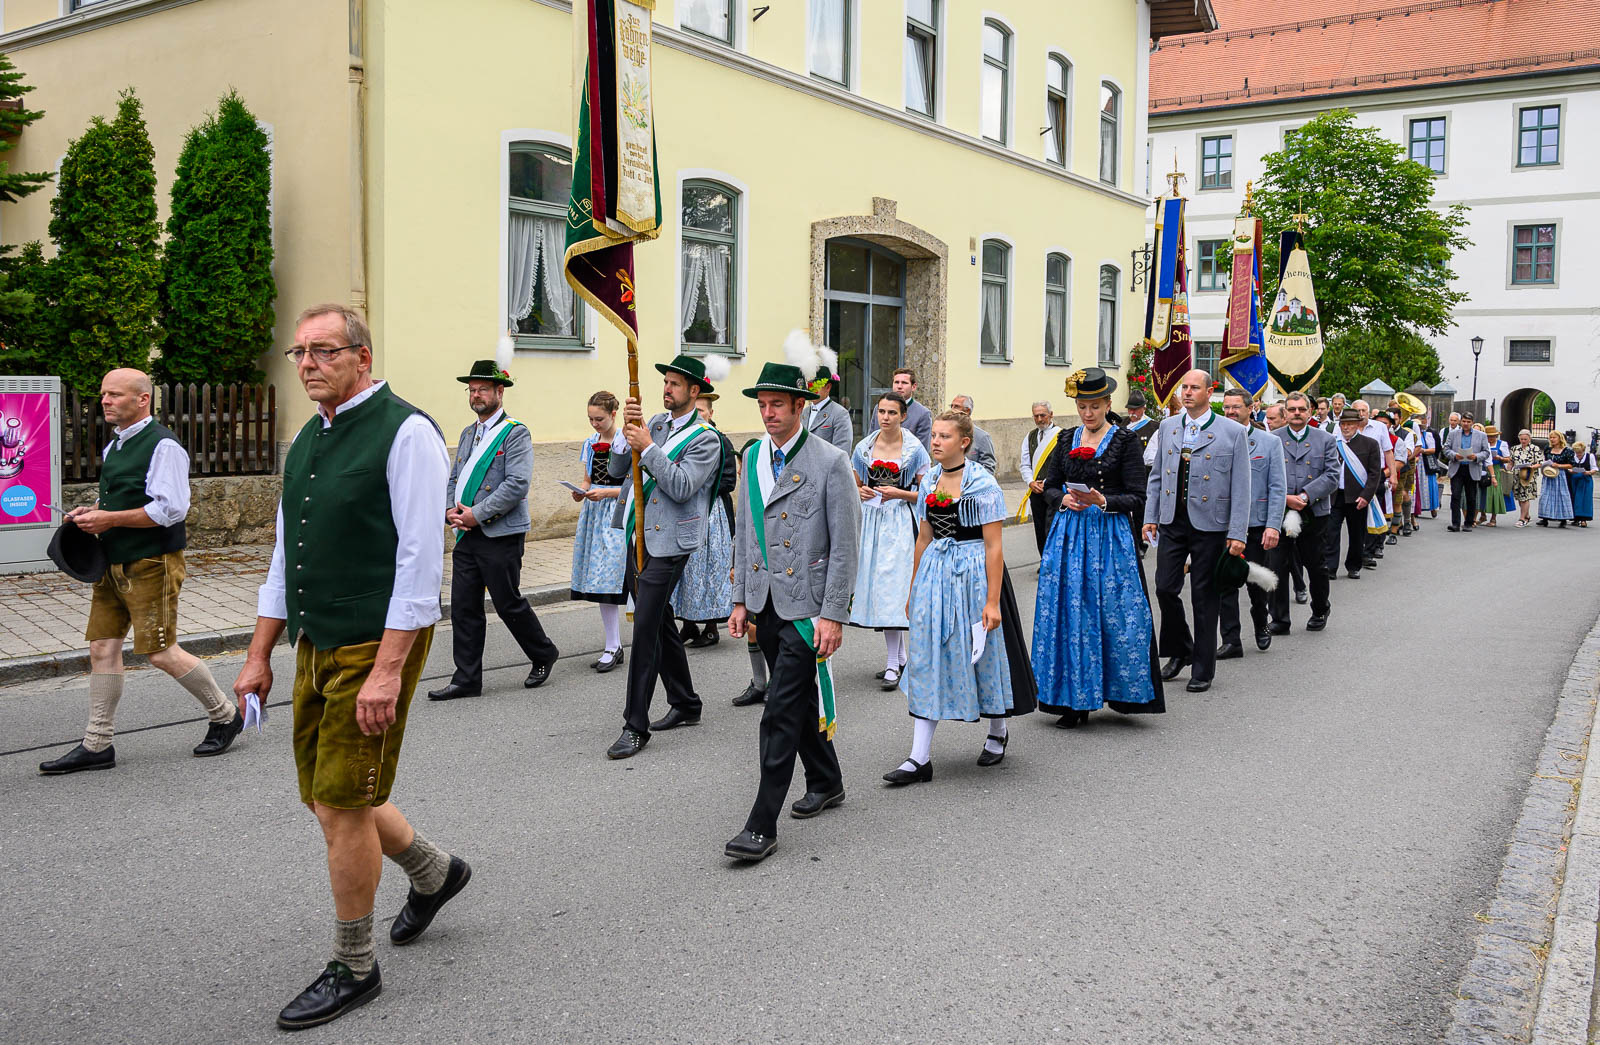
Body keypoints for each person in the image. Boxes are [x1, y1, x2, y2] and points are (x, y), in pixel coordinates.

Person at [233, 304, 468, 1030]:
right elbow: (284, 553)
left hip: (376, 638)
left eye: (323, 351)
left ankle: (354, 964)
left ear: (361, 357)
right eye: (299, 352)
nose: (306, 363)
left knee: (339, 802)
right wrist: (257, 652)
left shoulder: (407, 432)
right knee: (327, 796)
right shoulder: (308, 436)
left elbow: (421, 565)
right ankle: (435, 871)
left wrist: (390, 669)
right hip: (317, 636)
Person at [39, 369, 243, 775]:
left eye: (115, 395)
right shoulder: (117, 444)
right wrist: (93, 511)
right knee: (101, 647)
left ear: (143, 399)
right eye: (103, 395)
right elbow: (124, 493)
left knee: (160, 652)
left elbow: (171, 509)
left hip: (153, 562)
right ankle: (98, 744)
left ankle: (224, 715)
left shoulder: (164, 445)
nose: (106, 401)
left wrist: (110, 518)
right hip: (111, 560)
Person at [724, 359, 860, 863]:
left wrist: (834, 614)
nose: (768, 414)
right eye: (762, 405)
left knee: (779, 711)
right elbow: (744, 529)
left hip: (808, 608)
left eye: (777, 404)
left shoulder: (830, 461)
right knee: (797, 703)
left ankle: (761, 825)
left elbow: (846, 545)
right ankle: (827, 779)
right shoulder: (754, 456)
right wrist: (739, 600)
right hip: (764, 603)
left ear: (800, 406)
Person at [888, 409, 1036, 781]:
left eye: (944, 436)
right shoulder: (929, 481)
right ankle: (919, 757)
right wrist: (913, 590)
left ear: (964, 442)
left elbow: (994, 547)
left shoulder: (982, 484)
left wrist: (991, 600)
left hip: (972, 576)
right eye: (934, 435)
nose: (935, 441)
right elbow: (923, 538)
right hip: (936, 574)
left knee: (982, 654)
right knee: (926, 657)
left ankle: (998, 730)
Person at [603, 354, 725, 760]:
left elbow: (682, 486)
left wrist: (650, 447)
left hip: (672, 543)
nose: (667, 389)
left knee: (645, 631)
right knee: (658, 621)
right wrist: (626, 433)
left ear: (694, 391)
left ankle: (635, 724)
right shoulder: (653, 422)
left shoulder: (706, 438)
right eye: (666, 382)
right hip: (637, 536)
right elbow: (619, 468)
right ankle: (687, 701)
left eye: (675, 384)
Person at [1031, 368, 1162, 727]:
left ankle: (1119, 690)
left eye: (1094, 406)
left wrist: (1105, 501)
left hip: (1109, 536)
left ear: (1107, 404)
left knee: (1111, 612)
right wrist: (1063, 500)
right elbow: (1049, 485)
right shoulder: (1066, 438)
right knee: (1068, 611)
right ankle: (1072, 699)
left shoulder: (1125, 441)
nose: (1087, 413)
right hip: (1069, 534)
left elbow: (1138, 495)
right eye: (1082, 406)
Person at [426, 360, 558, 702]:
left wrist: (476, 515)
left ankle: (543, 652)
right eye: (471, 389)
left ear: (500, 391)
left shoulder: (515, 433)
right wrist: (448, 508)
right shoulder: (469, 432)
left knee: (507, 602)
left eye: (483, 388)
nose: (476, 395)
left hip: (500, 532)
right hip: (467, 534)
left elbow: (517, 484)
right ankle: (466, 678)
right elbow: (455, 475)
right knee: (463, 606)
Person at [1142, 369, 1251, 694]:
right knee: (1164, 588)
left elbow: (1241, 487)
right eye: (1184, 387)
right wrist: (1151, 516)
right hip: (1173, 521)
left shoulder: (1231, 432)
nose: (1187, 392)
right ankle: (1181, 648)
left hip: (1211, 525)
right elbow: (1158, 476)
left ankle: (1202, 668)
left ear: (1209, 391)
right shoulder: (1168, 426)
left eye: (1194, 388)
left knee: (1205, 597)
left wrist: (1237, 532)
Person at [847, 392, 930, 689]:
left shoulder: (915, 449)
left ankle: (893, 664)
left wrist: (900, 493)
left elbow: (930, 493)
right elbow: (854, 483)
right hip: (873, 522)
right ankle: (900, 657)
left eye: (892, 413)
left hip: (900, 523)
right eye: (881, 411)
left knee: (894, 590)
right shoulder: (864, 447)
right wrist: (861, 491)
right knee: (882, 591)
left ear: (903, 416)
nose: (885, 417)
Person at [1217, 390, 1284, 658]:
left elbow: (1278, 488)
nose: (1231, 412)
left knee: (1255, 584)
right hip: (1221, 525)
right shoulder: (1215, 439)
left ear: (1250, 408)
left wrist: (1273, 525)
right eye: (1226, 408)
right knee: (1224, 584)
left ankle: (1261, 623)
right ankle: (1231, 640)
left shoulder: (1269, 443)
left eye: (1236, 407)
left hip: (1255, 526)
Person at [568, 391, 627, 671]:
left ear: (613, 414)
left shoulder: (625, 442)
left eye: (599, 419)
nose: (595, 424)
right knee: (602, 580)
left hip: (618, 513)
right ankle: (612, 644)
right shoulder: (590, 442)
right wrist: (582, 492)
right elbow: (588, 478)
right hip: (595, 512)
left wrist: (605, 493)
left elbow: (631, 487)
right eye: (591, 419)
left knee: (617, 577)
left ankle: (648, 639)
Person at [1271, 392, 1339, 632]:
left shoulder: (1326, 439)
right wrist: (1285, 498)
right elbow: (1266, 475)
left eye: (1301, 409)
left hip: (1314, 511)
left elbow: (1332, 475)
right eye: (1292, 409)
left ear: (1310, 412)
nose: (1297, 413)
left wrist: (1305, 496)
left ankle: (1320, 608)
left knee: (1315, 564)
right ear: (1285, 413)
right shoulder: (1274, 439)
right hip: (1280, 510)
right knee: (1277, 565)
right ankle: (1279, 618)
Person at [674, 392, 737, 649]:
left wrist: (699, 485)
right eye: (695, 410)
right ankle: (689, 623)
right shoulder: (680, 438)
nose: (698, 415)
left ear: (711, 413)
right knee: (687, 570)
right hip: (687, 511)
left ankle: (711, 628)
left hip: (712, 514)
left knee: (711, 569)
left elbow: (729, 480)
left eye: (703, 410)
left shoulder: (721, 442)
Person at [1330, 407, 1385, 580]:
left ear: (1357, 425)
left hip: (1358, 496)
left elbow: (1375, 473)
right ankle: (1330, 567)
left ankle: (1354, 566)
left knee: (1356, 534)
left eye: (1350, 424)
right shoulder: (1333, 443)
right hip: (1335, 495)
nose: (1346, 427)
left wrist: (1366, 496)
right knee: (1331, 533)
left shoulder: (1370, 444)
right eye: (1343, 424)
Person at [1018, 400, 1062, 553]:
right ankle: (1044, 560)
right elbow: (1025, 464)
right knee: (1039, 526)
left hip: (1054, 489)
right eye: (1035, 416)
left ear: (1051, 415)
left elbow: (1064, 466)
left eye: (1042, 415)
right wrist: (1030, 482)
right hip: (1035, 490)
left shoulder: (1061, 436)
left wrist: (1047, 482)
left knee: (1053, 527)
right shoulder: (1030, 436)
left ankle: (1054, 560)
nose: (1039, 419)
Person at [1442, 412, 1490, 532]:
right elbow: (1446, 449)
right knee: (1456, 496)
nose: (1466, 424)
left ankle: (1469, 522)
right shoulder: (1453, 434)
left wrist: (1476, 457)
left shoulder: (1481, 435)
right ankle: (1455, 523)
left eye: (1468, 422)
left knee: (1471, 497)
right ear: (1460, 421)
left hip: (1472, 467)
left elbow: (1486, 452)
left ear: (1472, 423)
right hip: (1457, 468)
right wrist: (1454, 455)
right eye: (1464, 421)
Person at [802, 357, 854, 452]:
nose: (812, 388)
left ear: (828, 387)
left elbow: (842, 451)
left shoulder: (840, 414)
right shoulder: (803, 413)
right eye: (810, 384)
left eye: (816, 384)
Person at [948, 394, 997, 472]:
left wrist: (975, 482)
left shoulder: (982, 437)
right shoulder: (946, 434)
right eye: (951, 406)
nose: (952, 410)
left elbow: (988, 466)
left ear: (967, 411)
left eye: (956, 406)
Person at [1538, 430, 1576, 528]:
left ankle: (1563, 519)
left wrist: (1558, 465)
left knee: (1561, 496)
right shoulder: (1547, 449)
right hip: (1548, 474)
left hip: (1561, 475)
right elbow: (1546, 460)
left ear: (1560, 438)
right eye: (1550, 437)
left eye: (1554, 437)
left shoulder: (1567, 451)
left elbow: (1571, 464)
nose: (1552, 439)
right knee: (1545, 495)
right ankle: (1544, 517)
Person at [891, 367, 933, 451]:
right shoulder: (879, 408)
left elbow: (922, 450)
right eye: (896, 382)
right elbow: (870, 440)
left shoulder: (923, 414)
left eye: (904, 383)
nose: (899, 386)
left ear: (913, 387)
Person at [1479, 424, 1511, 528]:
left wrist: (1500, 458)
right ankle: (1482, 515)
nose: (1490, 438)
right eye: (1488, 436)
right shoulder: (1482, 444)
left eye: (1493, 436)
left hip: (1496, 469)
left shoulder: (1502, 444)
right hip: (1484, 468)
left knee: (1495, 493)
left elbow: (1508, 459)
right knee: (1481, 492)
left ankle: (1493, 517)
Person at [1510, 430, 1543, 527]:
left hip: (1529, 475)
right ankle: (1527, 515)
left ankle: (1522, 518)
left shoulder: (1535, 448)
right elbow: (1511, 462)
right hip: (1517, 475)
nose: (1523, 441)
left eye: (1525, 439)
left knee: (1525, 497)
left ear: (1529, 439)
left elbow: (1540, 462)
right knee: (1520, 497)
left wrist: (1531, 467)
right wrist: (1508, 471)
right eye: (1521, 439)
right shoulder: (1515, 448)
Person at [1413, 418, 1441, 520]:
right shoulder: (1410, 436)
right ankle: (1416, 508)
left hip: (1425, 463)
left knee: (1429, 485)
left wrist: (1421, 450)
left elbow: (1433, 449)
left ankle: (1432, 508)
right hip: (1414, 462)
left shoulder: (1427, 435)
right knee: (1416, 486)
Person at [1569, 438, 1595, 527]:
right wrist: (1571, 471)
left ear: (1583, 450)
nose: (1578, 454)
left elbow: (1594, 468)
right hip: (1574, 479)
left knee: (1585, 499)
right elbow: (1569, 466)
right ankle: (1575, 518)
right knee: (1574, 498)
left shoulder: (1589, 456)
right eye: (1576, 452)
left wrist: (1589, 472)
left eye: (1579, 452)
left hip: (1585, 480)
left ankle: (1583, 519)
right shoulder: (1572, 456)